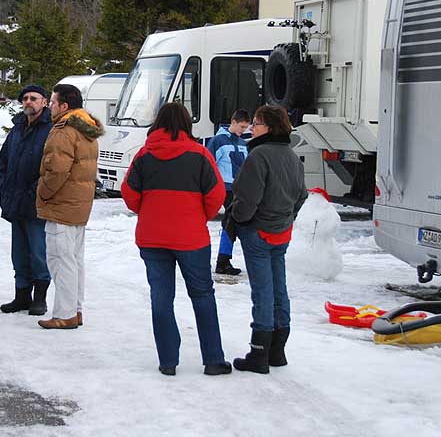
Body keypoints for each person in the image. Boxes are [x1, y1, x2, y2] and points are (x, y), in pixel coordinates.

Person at [121, 103, 231, 377]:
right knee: (203, 295)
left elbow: (129, 193)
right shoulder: (200, 154)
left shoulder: (144, 155)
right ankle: (213, 359)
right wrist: (197, 216)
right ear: (186, 124)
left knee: (161, 296)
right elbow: (217, 195)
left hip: (152, 236)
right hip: (191, 238)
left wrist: (148, 212)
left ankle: (168, 360)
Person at [226, 105, 308, 373]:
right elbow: (301, 196)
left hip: (258, 231)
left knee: (263, 292)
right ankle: (278, 350)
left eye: (257, 123)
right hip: (281, 231)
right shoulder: (292, 157)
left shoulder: (259, 156)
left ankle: (259, 353)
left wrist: (238, 219)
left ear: (270, 127)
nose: (252, 128)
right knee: (278, 290)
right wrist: (287, 217)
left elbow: (247, 198)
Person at [35, 83, 104, 330]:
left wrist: (42, 192)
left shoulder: (63, 130)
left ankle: (65, 314)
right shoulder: (87, 129)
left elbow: (56, 170)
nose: (50, 106)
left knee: (60, 259)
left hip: (62, 204)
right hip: (78, 204)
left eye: (52, 102)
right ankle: (75, 309)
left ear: (64, 106)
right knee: (74, 259)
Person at [0, 84, 53, 316]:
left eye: (34, 98)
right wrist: (4, 187)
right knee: (18, 253)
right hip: (14, 201)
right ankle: (21, 296)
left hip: (35, 203)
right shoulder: (17, 128)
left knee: (38, 252)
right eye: (25, 98)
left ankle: (40, 298)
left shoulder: (50, 129)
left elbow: (49, 169)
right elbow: (3, 161)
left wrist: (34, 192)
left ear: (44, 102)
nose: (28, 102)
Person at [206, 109, 251, 276]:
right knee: (231, 222)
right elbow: (209, 164)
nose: (243, 130)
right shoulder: (218, 141)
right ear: (233, 122)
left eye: (246, 127)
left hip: (239, 189)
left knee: (232, 223)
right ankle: (222, 261)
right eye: (241, 126)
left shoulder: (242, 143)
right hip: (224, 188)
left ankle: (224, 260)